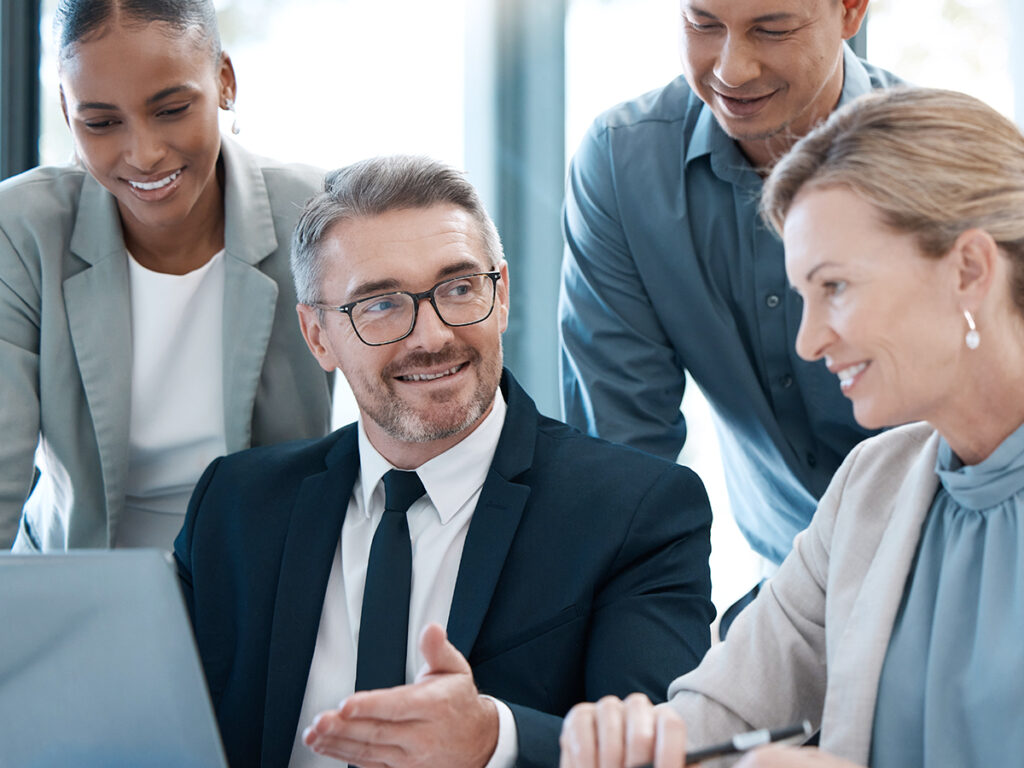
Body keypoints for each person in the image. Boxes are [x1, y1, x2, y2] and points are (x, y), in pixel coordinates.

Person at [174, 155, 715, 768]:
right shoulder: (235, 508)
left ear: (501, 294)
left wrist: (495, 739)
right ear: (317, 335)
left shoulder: (637, 512)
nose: (431, 336)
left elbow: (658, 755)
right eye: (380, 304)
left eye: (459, 289)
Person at [558, 86, 1024, 768]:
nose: (807, 342)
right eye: (803, 296)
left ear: (970, 269)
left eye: (835, 287)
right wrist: (637, 744)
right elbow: (721, 715)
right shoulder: (875, 485)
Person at [559, 0, 903, 572]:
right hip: (786, 592)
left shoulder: (950, 170)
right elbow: (623, 471)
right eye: (702, 24)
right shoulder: (623, 167)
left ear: (851, 11)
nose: (731, 70)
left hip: (959, 571)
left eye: (772, 30)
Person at [0, 0, 332, 550]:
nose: (144, 154)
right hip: (78, 582)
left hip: (266, 583)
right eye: (101, 122)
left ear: (224, 81)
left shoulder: (316, 216)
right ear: (66, 110)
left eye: (172, 109)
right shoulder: (20, 231)